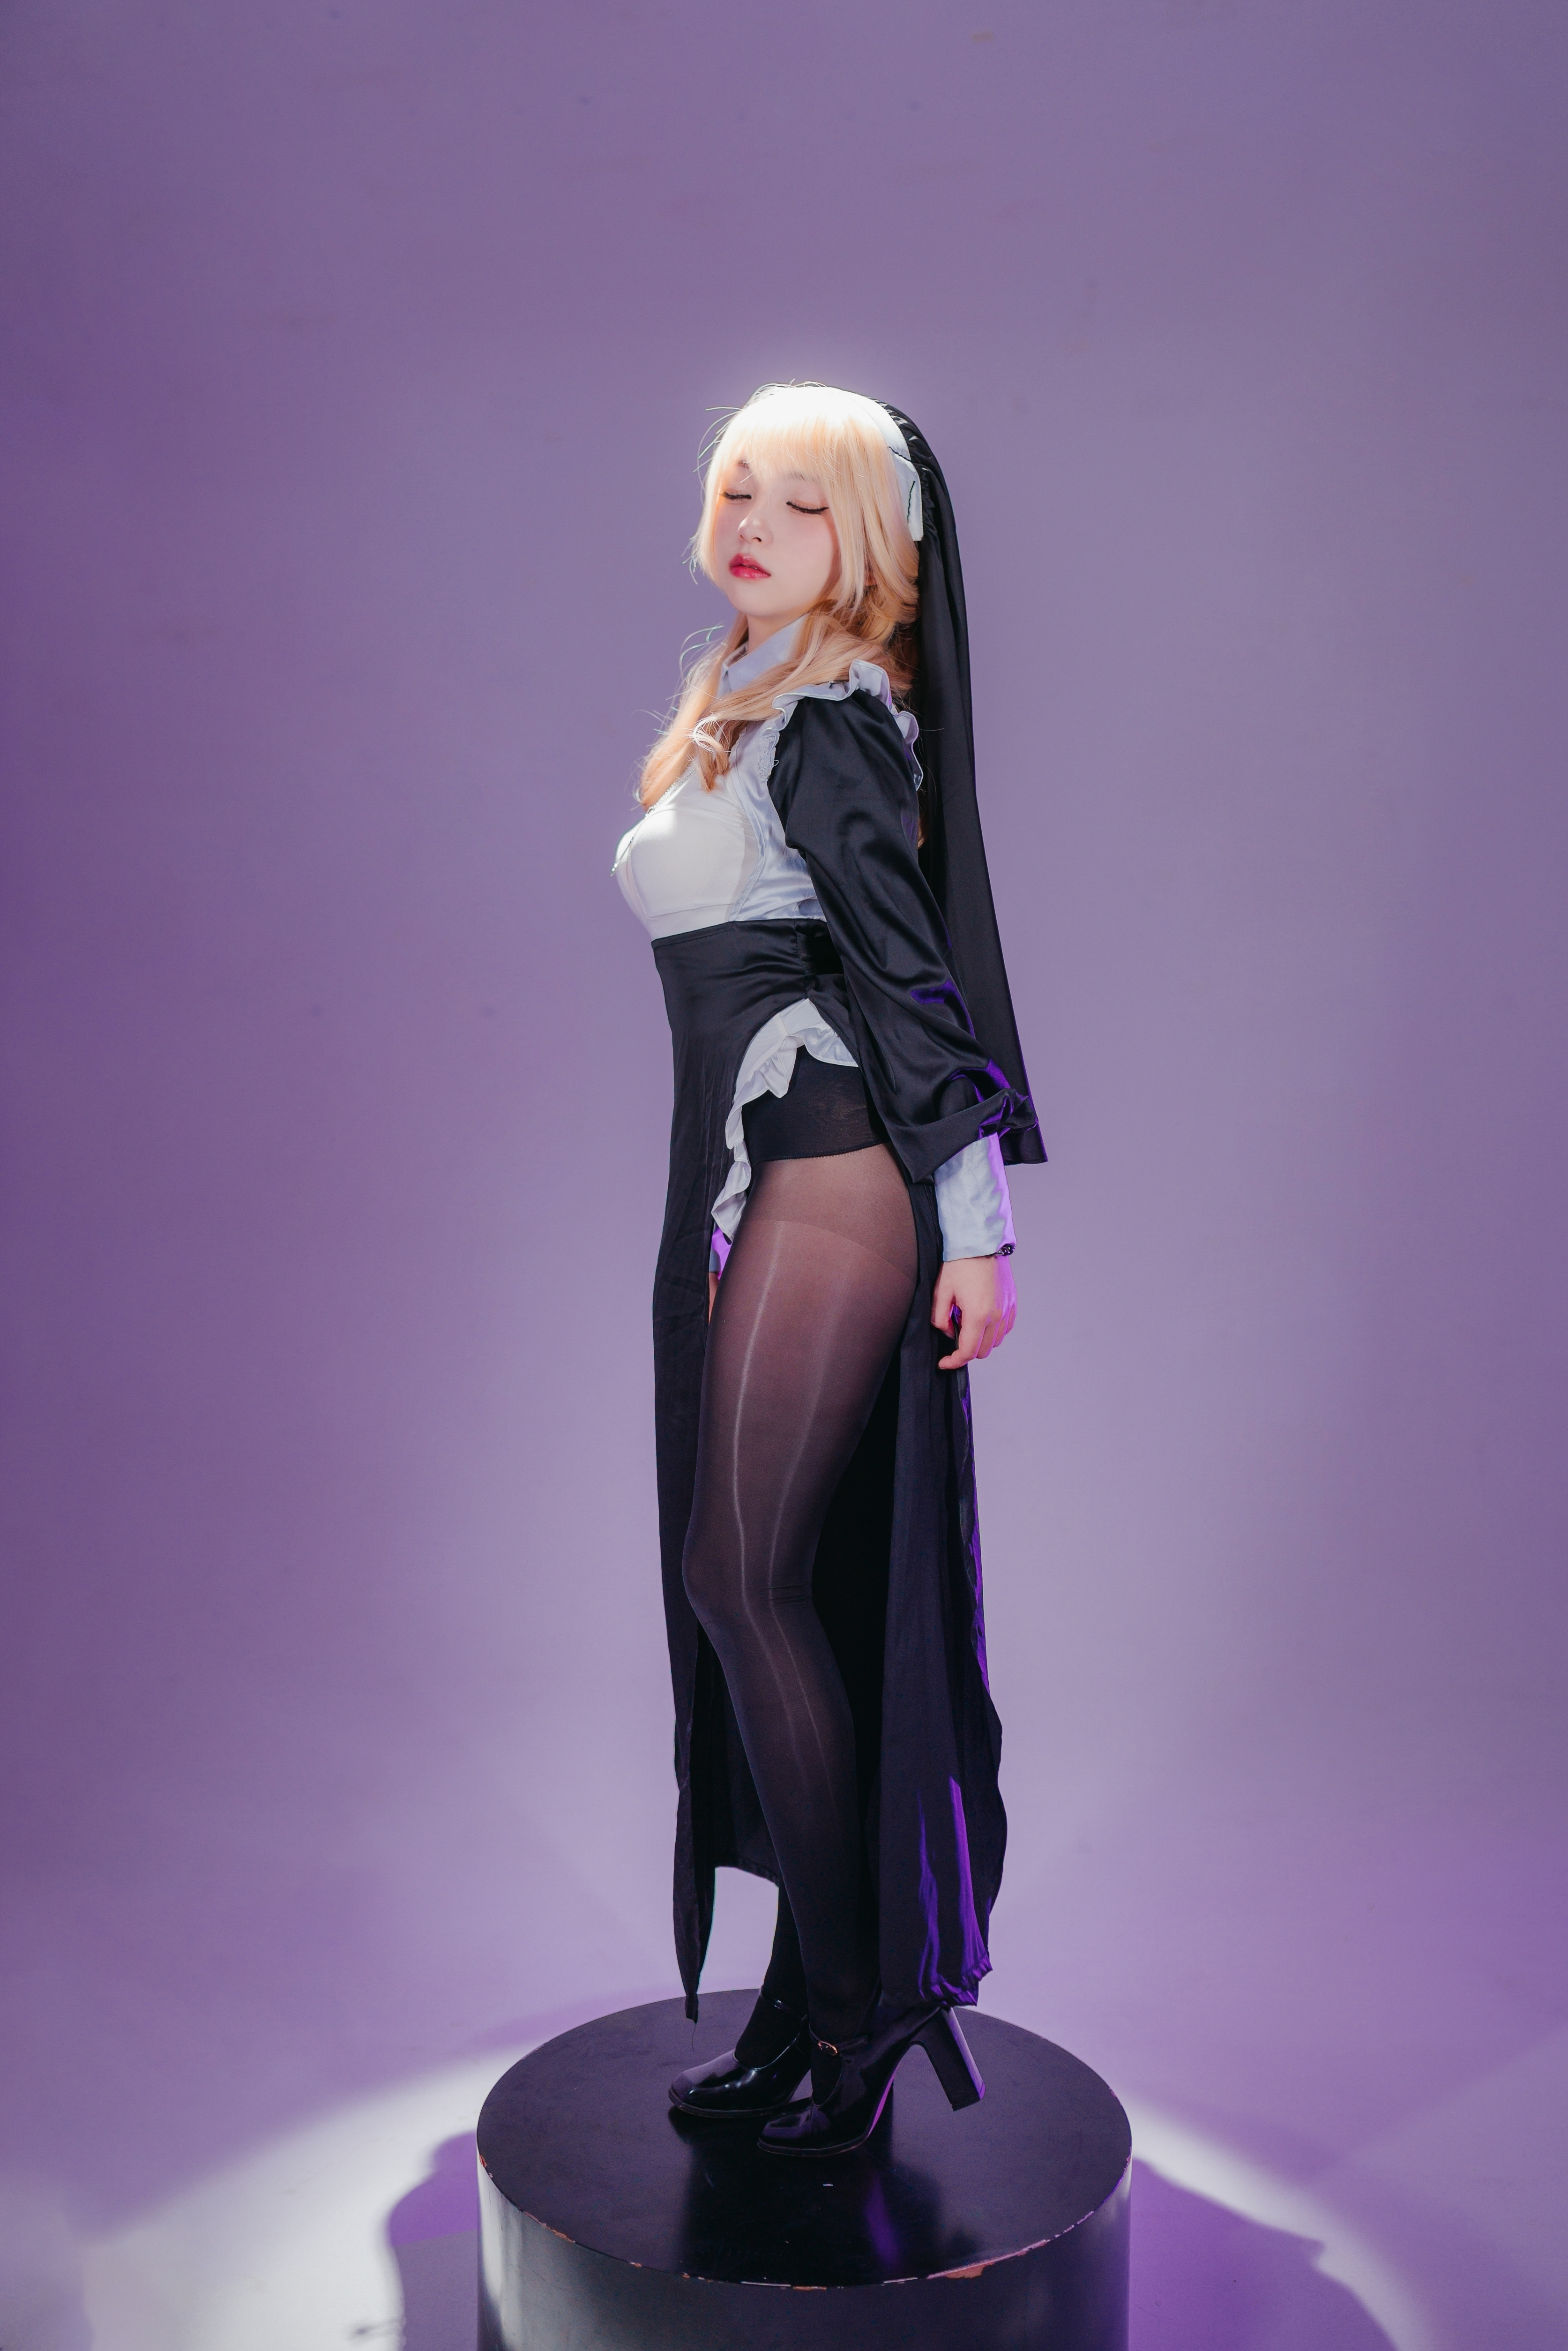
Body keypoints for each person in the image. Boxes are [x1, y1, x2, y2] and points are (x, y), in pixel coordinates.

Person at [613, 383, 1043, 2157]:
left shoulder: (837, 719)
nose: (752, 526)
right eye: (736, 489)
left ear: (866, 537)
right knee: (785, 1586)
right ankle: (811, 2004)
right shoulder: (752, 691)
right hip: (773, 1167)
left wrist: (978, 1232)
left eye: (799, 503)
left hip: (841, 1168)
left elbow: (910, 978)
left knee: (746, 1576)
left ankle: (861, 2012)